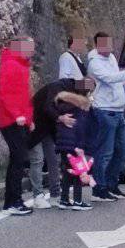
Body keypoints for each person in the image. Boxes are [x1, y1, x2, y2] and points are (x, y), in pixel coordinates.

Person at [88, 32, 125, 202]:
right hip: (104, 110)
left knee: (121, 150)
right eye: (105, 44)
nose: (109, 47)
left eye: (110, 43)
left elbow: (117, 79)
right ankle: (99, 188)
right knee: (105, 151)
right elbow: (110, 79)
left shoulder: (111, 58)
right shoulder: (94, 63)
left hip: (118, 110)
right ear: (98, 45)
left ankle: (112, 184)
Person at [26, 78, 82, 209]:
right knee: (37, 159)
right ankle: (38, 196)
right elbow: (48, 106)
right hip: (33, 125)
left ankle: (55, 195)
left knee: (54, 159)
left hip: (48, 128)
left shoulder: (72, 94)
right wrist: (60, 118)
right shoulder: (57, 87)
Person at [0, 37, 35, 215]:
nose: (32, 50)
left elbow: (23, 97)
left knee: (17, 159)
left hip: (17, 119)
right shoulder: (11, 64)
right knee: (18, 159)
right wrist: (17, 115)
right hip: (10, 120)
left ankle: (11, 201)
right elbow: (6, 93)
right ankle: (14, 201)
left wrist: (29, 118)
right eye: (29, 47)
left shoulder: (19, 65)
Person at [54, 78, 95, 211]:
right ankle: (77, 201)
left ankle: (64, 199)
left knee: (67, 172)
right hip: (74, 145)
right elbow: (81, 128)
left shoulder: (62, 105)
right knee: (78, 172)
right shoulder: (80, 107)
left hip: (63, 144)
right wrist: (80, 146)